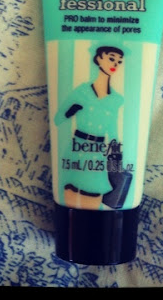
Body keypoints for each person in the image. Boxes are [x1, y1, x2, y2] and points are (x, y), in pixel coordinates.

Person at [54, 46, 124, 210]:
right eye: (111, 58)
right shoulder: (82, 91)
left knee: (95, 194)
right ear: (99, 58)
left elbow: (112, 131)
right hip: (78, 149)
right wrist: (71, 110)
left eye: (119, 61)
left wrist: (116, 158)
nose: (115, 64)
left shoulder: (115, 99)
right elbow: (57, 119)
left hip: (98, 154)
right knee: (71, 194)